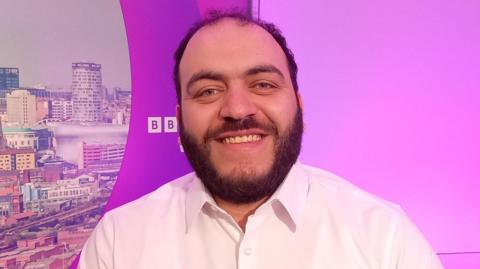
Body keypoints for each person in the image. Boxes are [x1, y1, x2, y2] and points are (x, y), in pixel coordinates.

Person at [79, 11, 443, 269]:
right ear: (178, 120)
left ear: (298, 105)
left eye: (263, 85)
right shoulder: (119, 242)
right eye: (208, 90)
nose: (238, 109)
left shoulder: (385, 237)